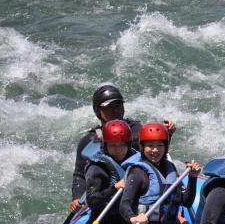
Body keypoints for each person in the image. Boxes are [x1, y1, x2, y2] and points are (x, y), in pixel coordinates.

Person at [70, 84, 176, 212]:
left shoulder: (135, 129)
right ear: (98, 111)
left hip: (138, 185)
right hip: (108, 191)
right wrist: (77, 198)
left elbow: (155, 155)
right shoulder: (92, 140)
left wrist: (167, 135)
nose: (115, 110)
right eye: (109, 107)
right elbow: (79, 174)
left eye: (118, 105)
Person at [119, 122, 200, 224]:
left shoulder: (170, 170)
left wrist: (193, 178)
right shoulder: (138, 173)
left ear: (166, 147)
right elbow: (124, 205)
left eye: (159, 145)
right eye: (150, 145)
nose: (155, 150)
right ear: (142, 147)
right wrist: (134, 217)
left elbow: (186, 202)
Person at [84, 120, 142, 224]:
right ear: (105, 146)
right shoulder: (97, 168)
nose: (118, 150)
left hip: (130, 218)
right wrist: (114, 187)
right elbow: (92, 201)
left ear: (128, 144)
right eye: (112, 146)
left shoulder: (137, 160)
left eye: (122, 145)